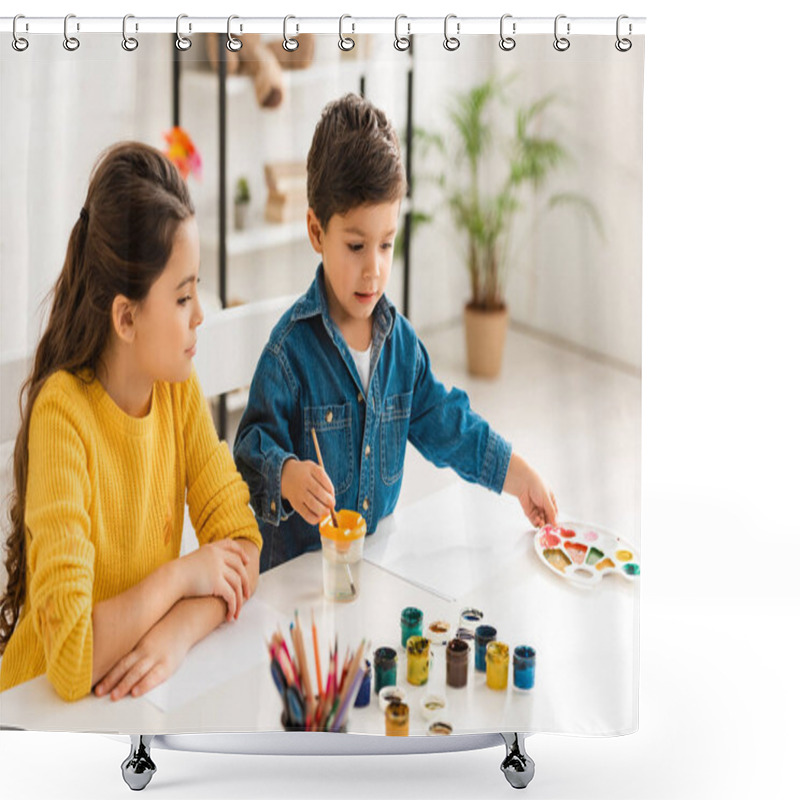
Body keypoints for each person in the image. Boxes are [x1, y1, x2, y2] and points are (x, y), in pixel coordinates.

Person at [234, 93, 558, 574]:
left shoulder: (400, 347)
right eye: (356, 245)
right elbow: (247, 449)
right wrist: (284, 474)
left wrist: (518, 475)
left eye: (386, 244)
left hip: (372, 566)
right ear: (317, 232)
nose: (374, 269)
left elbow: (451, 425)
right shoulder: (289, 353)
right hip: (299, 579)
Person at [0, 142, 261, 702]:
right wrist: (183, 576)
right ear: (126, 316)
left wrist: (178, 632)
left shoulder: (176, 388)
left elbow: (241, 545)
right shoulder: (62, 417)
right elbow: (71, 662)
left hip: (120, 702)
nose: (200, 315)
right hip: (32, 713)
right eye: (184, 296)